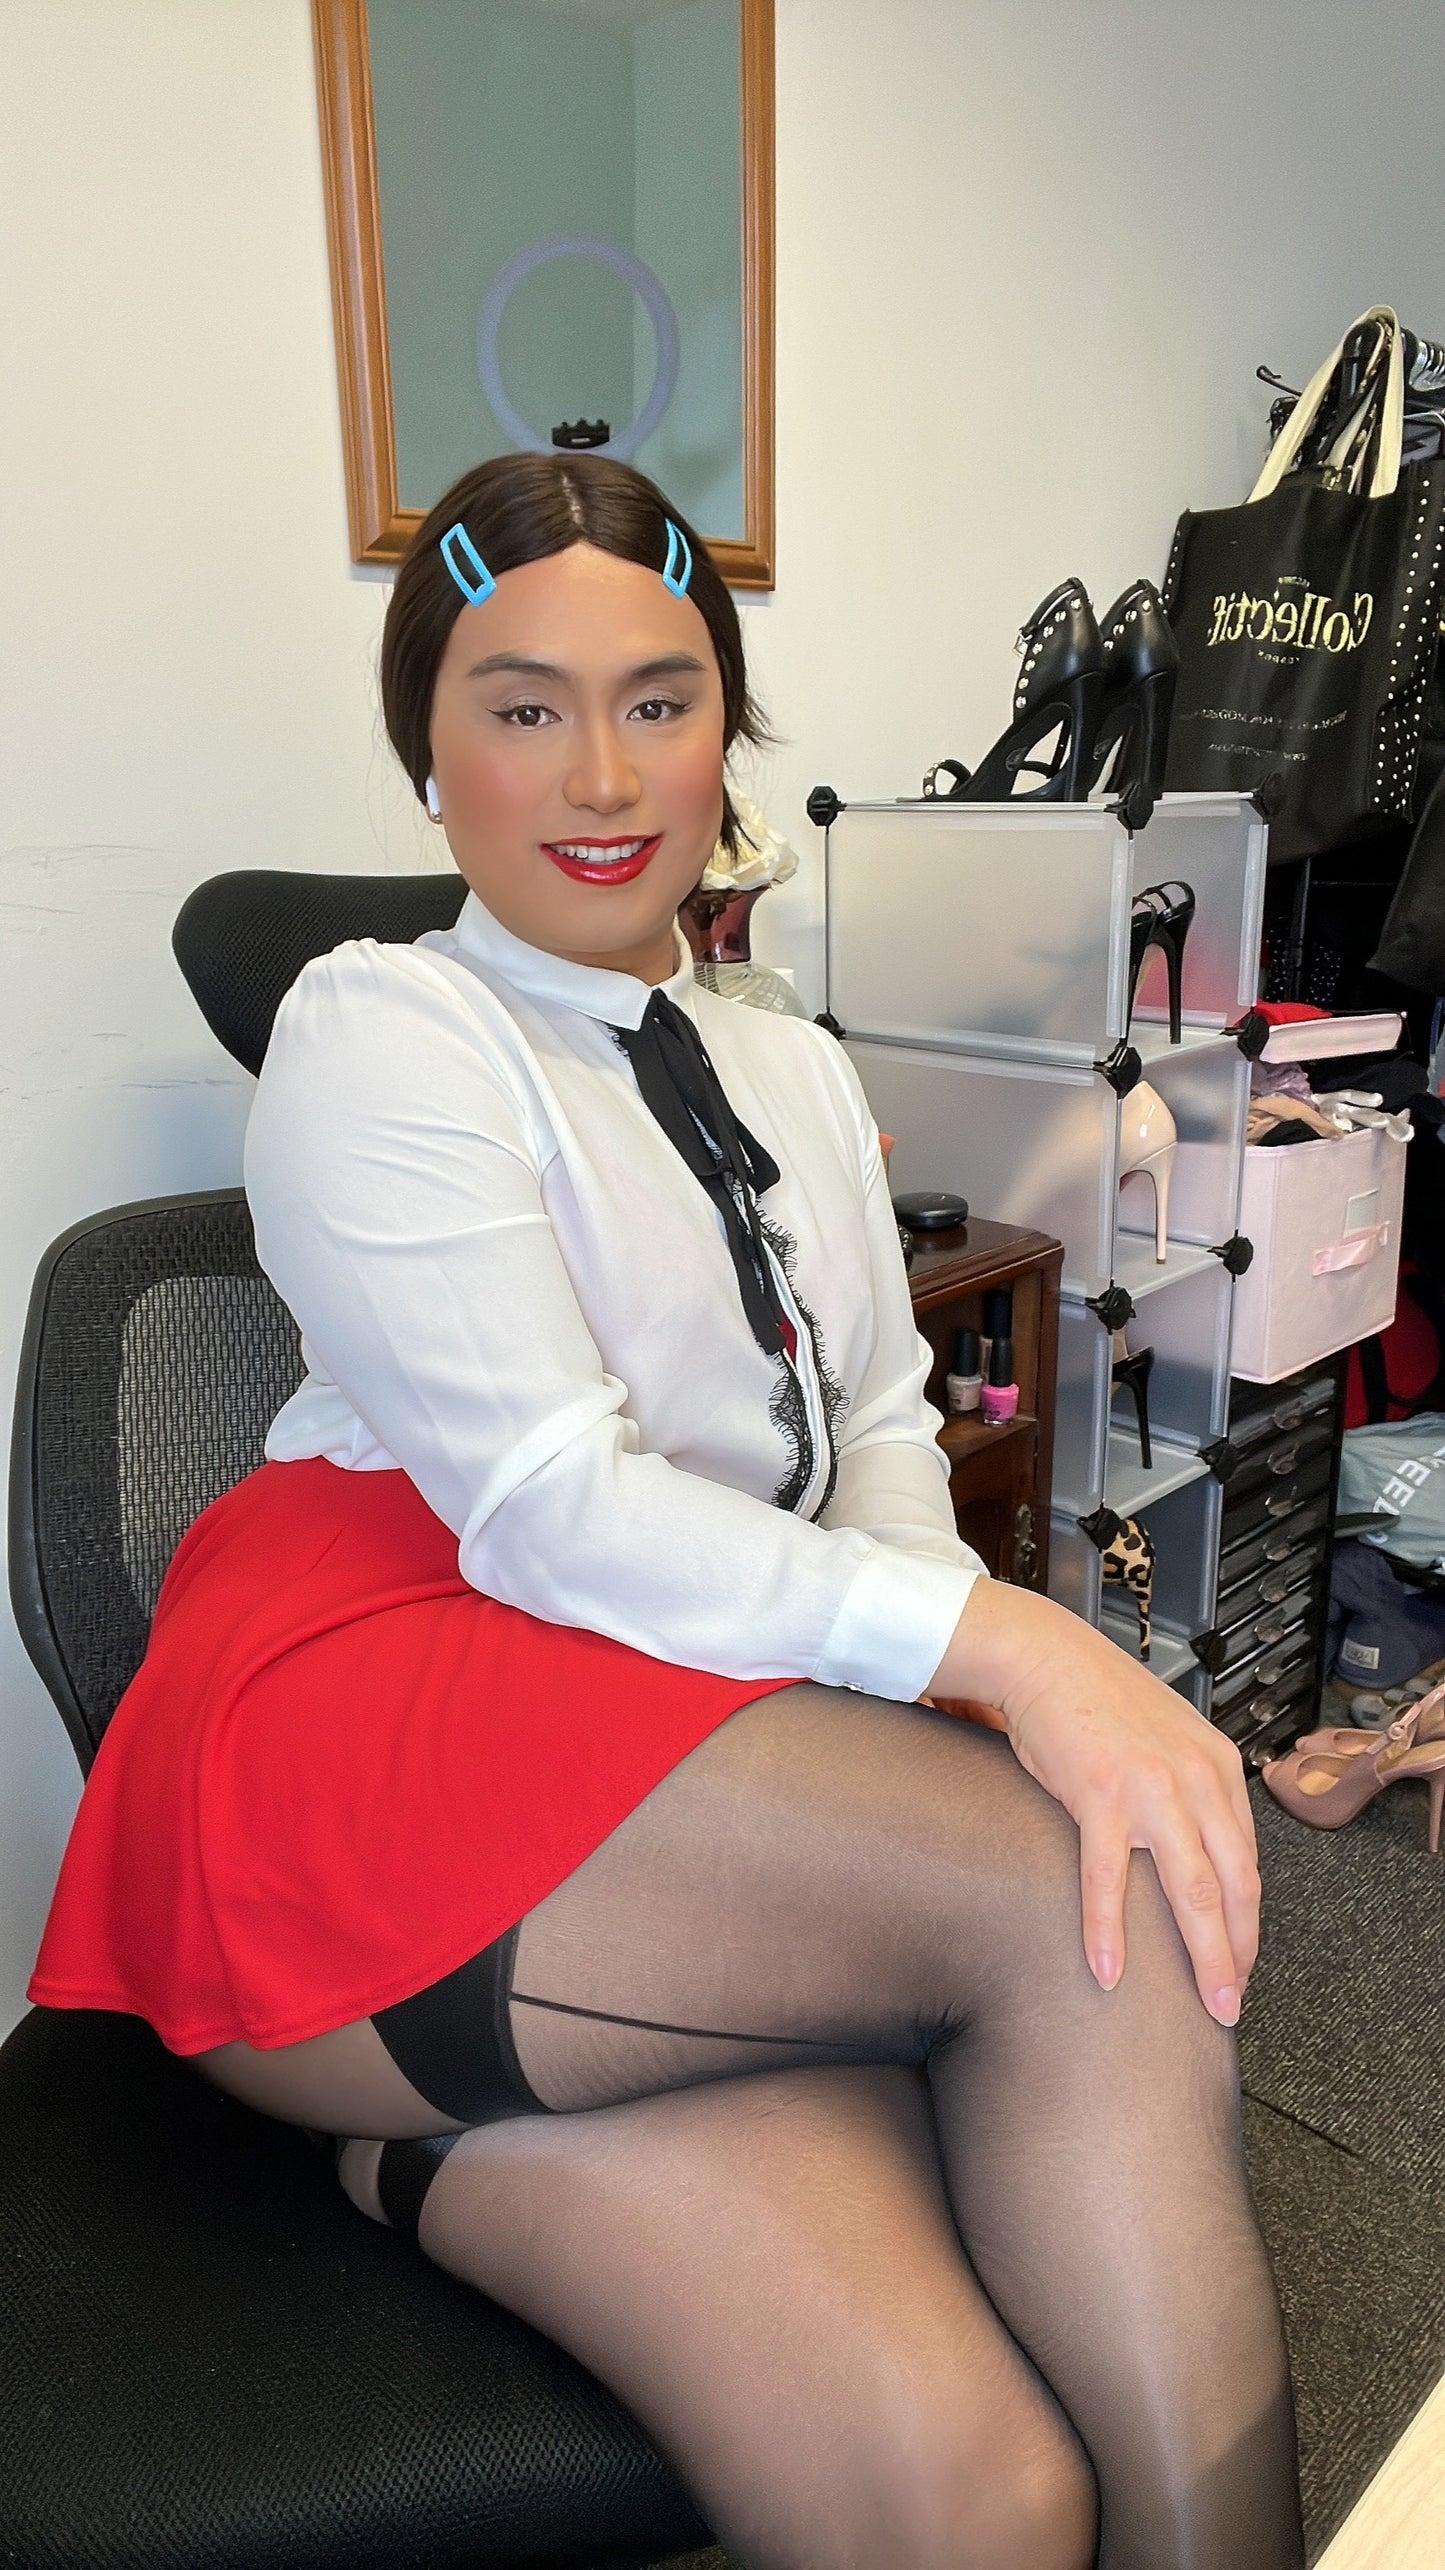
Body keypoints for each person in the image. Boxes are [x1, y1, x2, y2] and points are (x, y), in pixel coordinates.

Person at [30, 452, 1303, 2570]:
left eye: (663, 694)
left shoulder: (786, 1063)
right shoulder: (381, 1025)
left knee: (979, 2497)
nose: (603, 768)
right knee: (1087, 1900)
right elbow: (543, 1508)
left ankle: (449, 2152)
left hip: (647, 1762)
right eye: (521, 704)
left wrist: (933, 1665)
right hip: (371, 1727)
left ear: (731, 729)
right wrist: (1014, 1655)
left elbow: (884, 1419)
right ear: (425, 753)